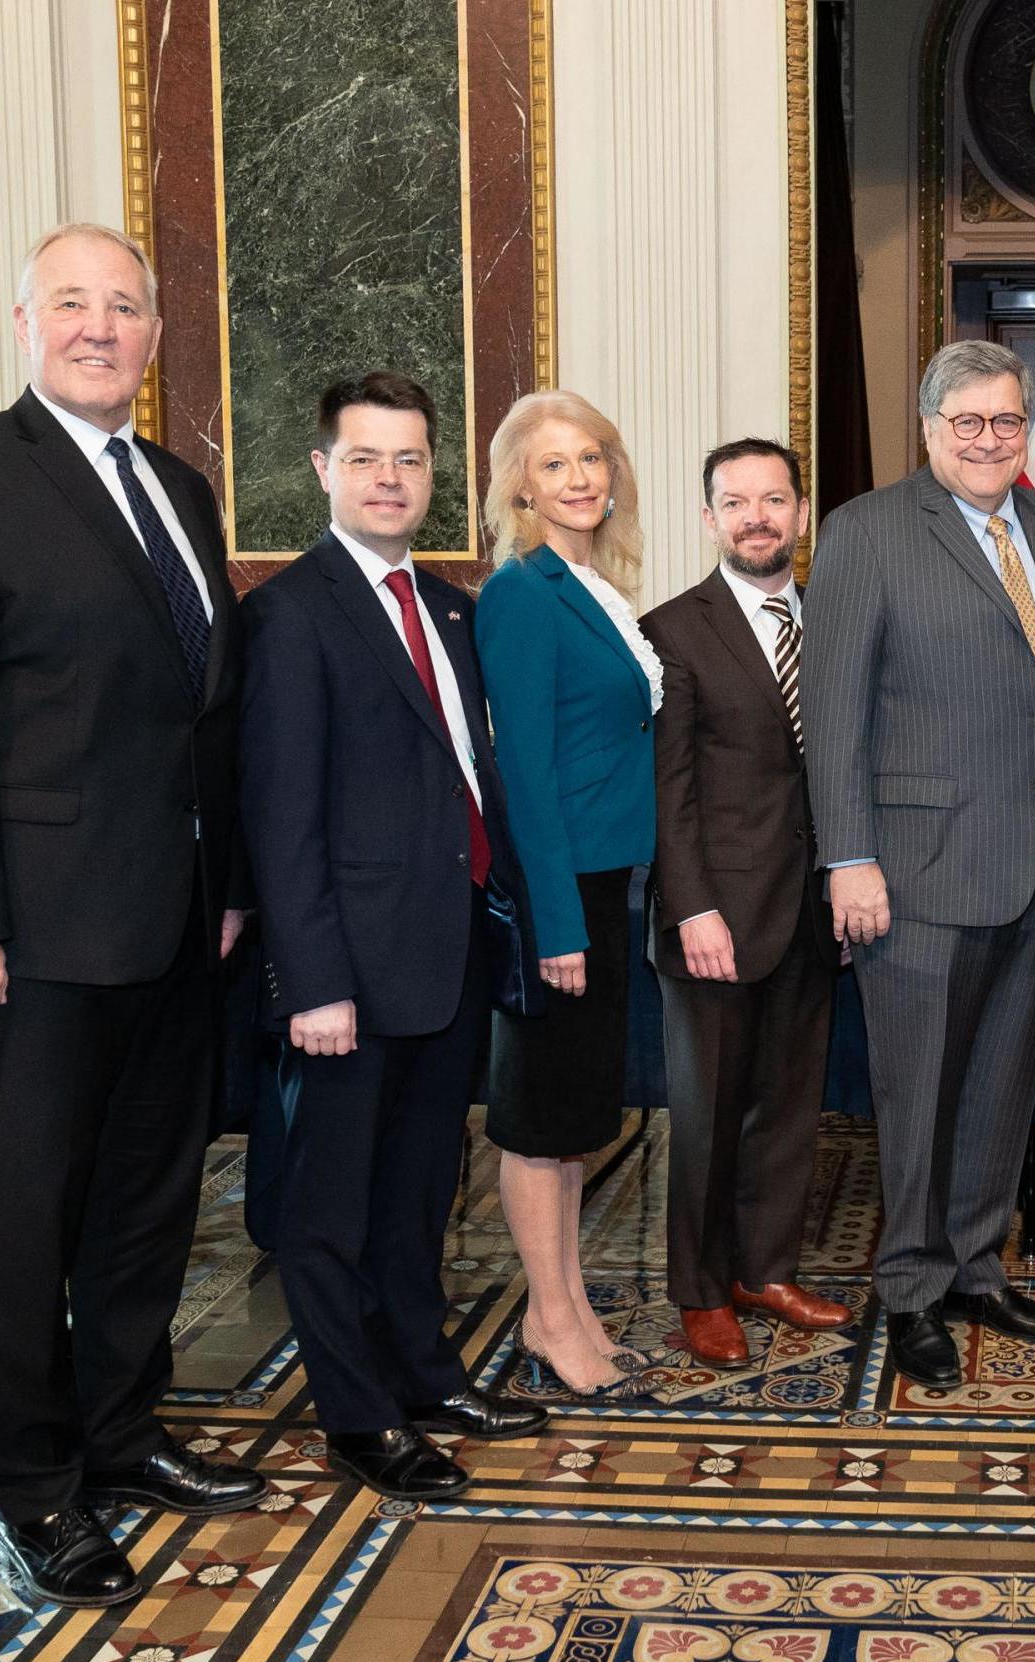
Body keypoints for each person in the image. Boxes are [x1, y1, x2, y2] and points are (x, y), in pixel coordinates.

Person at [0, 223, 264, 1608]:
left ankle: (122, 1430)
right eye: (72, 303)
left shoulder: (177, 485)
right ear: (22, 319)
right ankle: (34, 1483)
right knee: (16, 1215)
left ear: (156, 336)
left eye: (124, 307)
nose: (99, 326)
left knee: (145, 1205)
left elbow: (197, 718)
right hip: (26, 939)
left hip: (169, 926)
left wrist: (222, 889)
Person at [241, 371, 550, 1503]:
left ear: (434, 474)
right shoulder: (288, 614)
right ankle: (359, 1417)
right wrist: (312, 980)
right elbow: (280, 817)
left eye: (409, 459)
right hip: (346, 976)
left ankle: (423, 1372)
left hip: (447, 952)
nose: (388, 478)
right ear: (322, 469)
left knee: (421, 1189)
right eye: (365, 458)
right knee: (327, 1210)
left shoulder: (449, 607)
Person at [801, 340, 1035, 1391]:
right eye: (967, 422)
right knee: (917, 1092)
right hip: (914, 871)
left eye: (1006, 422)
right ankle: (912, 1287)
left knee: (999, 1084)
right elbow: (831, 712)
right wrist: (847, 857)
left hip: (1031, 865)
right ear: (927, 429)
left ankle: (976, 1266)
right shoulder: (866, 533)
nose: (988, 440)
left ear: (1028, 431)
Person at [642, 438, 849, 1367]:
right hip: (715, 917)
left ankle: (765, 1268)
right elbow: (668, 787)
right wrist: (691, 909)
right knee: (709, 1110)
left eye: (775, 499)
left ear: (801, 513)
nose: (758, 517)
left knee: (788, 1106)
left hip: (812, 908)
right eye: (737, 502)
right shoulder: (673, 630)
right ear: (709, 519)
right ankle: (698, 1289)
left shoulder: (837, 620)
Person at [475, 390, 658, 1397]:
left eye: (592, 455)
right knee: (539, 1117)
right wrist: (552, 920)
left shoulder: (593, 585)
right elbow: (524, 774)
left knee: (575, 1116)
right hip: (562, 894)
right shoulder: (520, 592)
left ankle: (572, 1302)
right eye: (553, 464)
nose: (580, 476)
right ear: (518, 485)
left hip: (603, 884)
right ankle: (547, 1317)